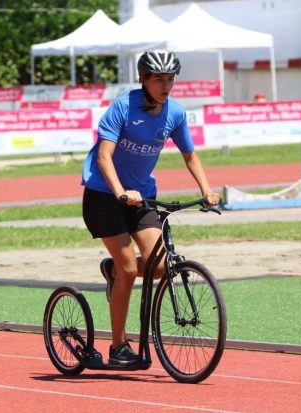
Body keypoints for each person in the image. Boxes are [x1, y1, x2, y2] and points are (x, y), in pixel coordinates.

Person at [81, 50, 221, 366]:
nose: (165, 84)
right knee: (131, 269)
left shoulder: (175, 114)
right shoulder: (123, 108)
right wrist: (119, 193)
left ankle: (113, 270)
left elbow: (190, 155)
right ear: (143, 79)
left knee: (160, 266)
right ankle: (118, 347)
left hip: (143, 196)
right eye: (158, 78)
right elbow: (104, 158)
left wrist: (207, 190)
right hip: (104, 195)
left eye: (170, 78)